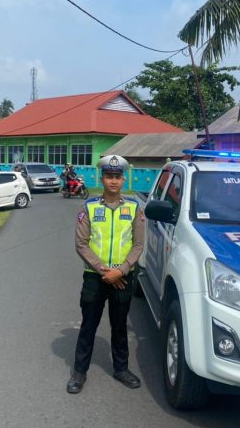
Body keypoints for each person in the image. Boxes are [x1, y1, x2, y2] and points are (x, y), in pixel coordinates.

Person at [66, 154, 144, 394]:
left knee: (119, 326)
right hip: (95, 277)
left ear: (123, 179)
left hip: (123, 277)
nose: (113, 181)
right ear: (101, 179)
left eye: (118, 176)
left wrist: (120, 271)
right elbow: (81, 244)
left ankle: (121, 369)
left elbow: (138, 245)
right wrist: (104, 271)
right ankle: (79, 372)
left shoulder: (134, 208)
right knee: (88, 325)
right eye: (109, 176)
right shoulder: (88, 208)